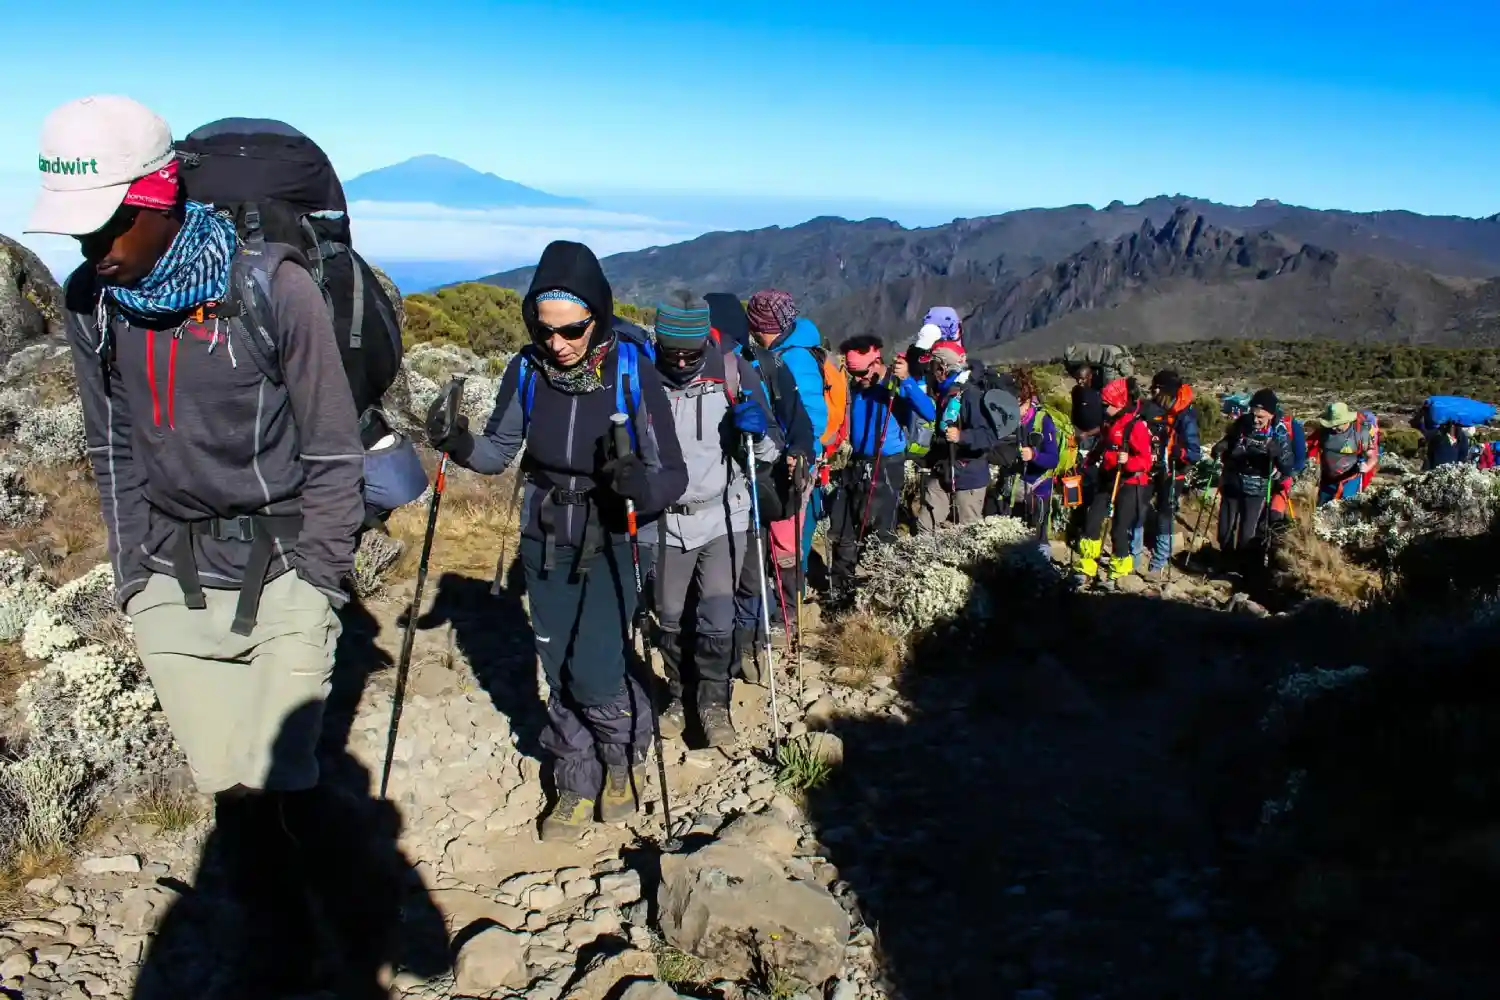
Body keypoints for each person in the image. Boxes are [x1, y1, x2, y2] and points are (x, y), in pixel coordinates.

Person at [34, 96, 365, 993]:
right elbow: (108, 444)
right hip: (173, 582)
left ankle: (327, 935)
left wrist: (320, 580)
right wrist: (135, 576)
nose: (90, 249)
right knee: (235, 803)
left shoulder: (273, 286)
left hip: (286, 568)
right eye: (76, 233)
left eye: (104, 225)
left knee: (283, 782)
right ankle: (283, 946)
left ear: (157, 196)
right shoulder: (92, 302)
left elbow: (334, 446)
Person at [426, 239, 688, 841]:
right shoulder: (526, 370)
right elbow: (496, 452)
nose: (558, 343)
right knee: (554, 664)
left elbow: (670, 474)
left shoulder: (630, 371)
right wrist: (456, 442)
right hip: (545, 533)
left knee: (595, 669)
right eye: (546, 331)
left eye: (572, 330)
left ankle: (620, 758)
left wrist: (635, 486)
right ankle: (575, 777)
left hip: (616, 536)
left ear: (596, 315)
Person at [649, 291, 781, 747]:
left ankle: (714, 705)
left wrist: (758, 433)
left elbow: (769, 452)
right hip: (665, 519)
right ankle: (676, 694)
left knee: (717, 616)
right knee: (667, 617)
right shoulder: (644, 379)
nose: (683, 362)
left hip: (725, 515)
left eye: (692, 352)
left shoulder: (732, 372)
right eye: (673, 352)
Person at [706, 293, 814, 685]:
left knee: (748, 573)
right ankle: (737, 650)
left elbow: (797, 419)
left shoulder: (767, 367)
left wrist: (799, 451)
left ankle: (747, 646)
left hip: (754, 485)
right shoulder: (686, 371)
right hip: (712, 494)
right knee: (739, 574)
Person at [827, 334, 936, 601]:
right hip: (855, 463)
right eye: (853, 373)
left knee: (880, 529)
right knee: (844, 529)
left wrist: (907, 381)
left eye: (862, 373)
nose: (858, 379)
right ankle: (842, 591)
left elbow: (929, 412)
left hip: (886, 466)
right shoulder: (856, 386)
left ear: (876, 362)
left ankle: (881, 589)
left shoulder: (896, 386)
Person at [1075, 379, 1152, 590]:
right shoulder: (1111, 423)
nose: (1103, 406)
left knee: (1119, 528)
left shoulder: (1135, 427)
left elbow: (1146, 461)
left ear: (1119, 404)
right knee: (1092, 522)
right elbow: (1104, 443)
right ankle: (1086, 569)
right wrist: (1090, 459)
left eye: (1106, 403)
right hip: (1108, 478)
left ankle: (1117, 574)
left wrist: (1128, 461)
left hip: (1130, 482)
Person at [916, 339, 995, 531]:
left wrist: (962, 437)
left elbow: (988, 437)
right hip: (944, 469)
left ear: (942, 367)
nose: (929, 371)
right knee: (925, 526)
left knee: (968, 533)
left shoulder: (970, 395)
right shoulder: (946, 393)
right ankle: (924, 558)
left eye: (932, 365)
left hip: (969, 475)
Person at [1212, 389, 1295, 568]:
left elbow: (1288, 466)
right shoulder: (1243, 423)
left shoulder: (1279, 432)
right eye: (1254, 414)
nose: (1256, 420)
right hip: (1233, 481)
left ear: (1271, 415)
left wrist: (1278, 453)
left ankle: (1244, 570)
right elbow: (1230, 439)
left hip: (1257, 487)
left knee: (1247, 534)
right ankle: (1225, 563)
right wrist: (1222, 446)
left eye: (1261, 417)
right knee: (1225, 529)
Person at [1134, 370, 1202, 575]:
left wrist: (1177, 452)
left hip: (1173, 473)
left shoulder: (1185, 416)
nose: (1152, 392)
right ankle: (1133, 555)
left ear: (1166, 392)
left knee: (1165, 514)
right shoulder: (1153, 409)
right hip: (1151, 468)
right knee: (1138, 508)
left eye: (1156, 388)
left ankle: (1160, 560)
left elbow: (1194, 453)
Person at [1001, 366, 1061, 553]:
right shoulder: (1008, 420)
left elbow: (1053, 459)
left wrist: (1034, 455)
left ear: (1026, 400)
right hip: (1014, 486)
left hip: (1039, 485)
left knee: (1039, 537)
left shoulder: (1043, 421)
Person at [1314, 402, 1377, 505]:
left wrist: (1367, 466)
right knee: (1323, 509)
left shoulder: (1361, 433)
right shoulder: (1324, 431)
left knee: (1346, 508)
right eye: (1331, 424)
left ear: (1346, 421)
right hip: (1326, 480)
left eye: (1336, 424)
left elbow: (1372, 456)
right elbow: (1311, 446)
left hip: (1350, 480)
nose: (1333, 428)